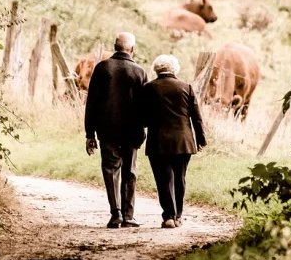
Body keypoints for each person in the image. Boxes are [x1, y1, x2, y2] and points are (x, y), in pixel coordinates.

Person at [84, 32, 148, 228]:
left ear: (114, 46)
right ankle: (129, 216)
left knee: (111, 170)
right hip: (132, 131)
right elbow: (145, 105)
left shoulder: (102, 68)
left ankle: (116, 213)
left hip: (107, 130)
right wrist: (144, 127)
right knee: (129, 171)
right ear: (132, 49)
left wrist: (90, 134)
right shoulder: (139, 71)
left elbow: (91, 103)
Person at [142, 55, 207, 229]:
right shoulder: (186, 87)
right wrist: (200, 139)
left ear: (156, 69)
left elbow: (143, 118)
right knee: (180, 178)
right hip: (183, 141)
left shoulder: (148, 88)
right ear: (174, 69)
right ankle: (178, 215)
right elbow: (197, 118)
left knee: (163, 179)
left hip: (158, 141)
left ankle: (168, 216)